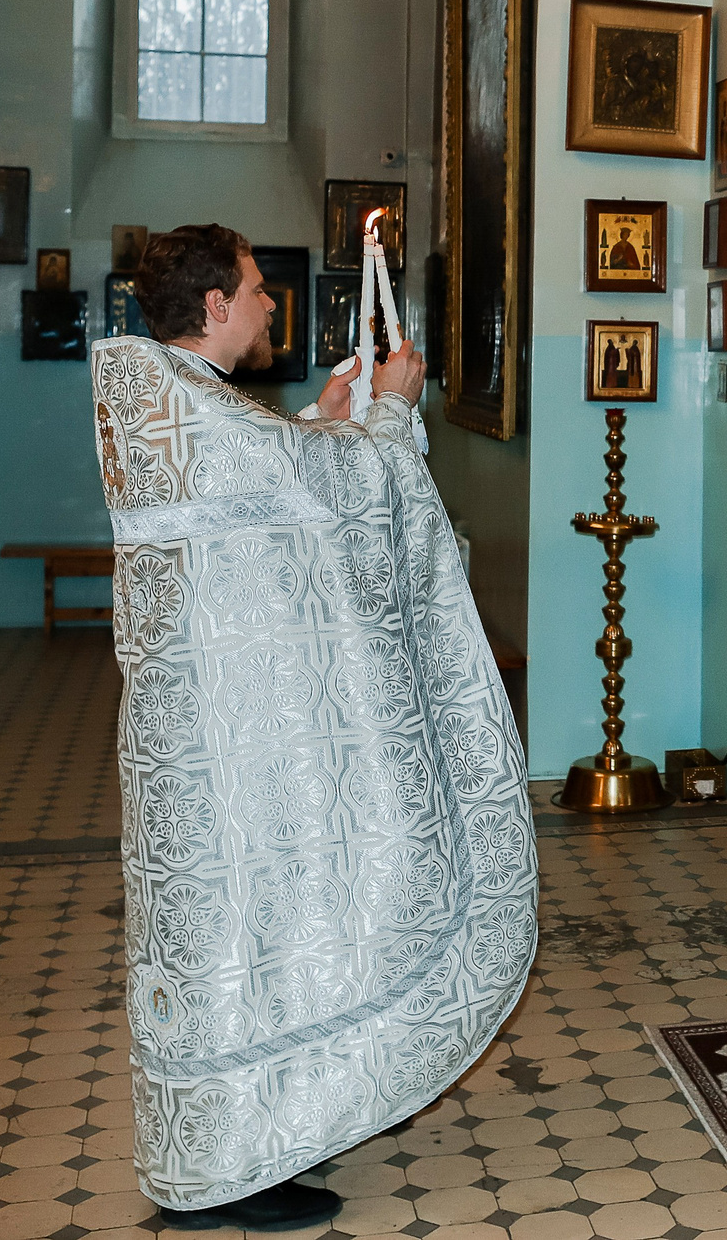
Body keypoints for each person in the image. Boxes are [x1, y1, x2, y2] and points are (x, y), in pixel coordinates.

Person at [92, 224, 535, 1229]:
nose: (266, 307)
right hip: (231, 747)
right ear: (213, 307)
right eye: (254, 291)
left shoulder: (164, 399)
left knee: (227, 942)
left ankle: (214, 1154)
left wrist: (319, 417)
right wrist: (389, 411)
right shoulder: (194, 406)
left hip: (202, 738)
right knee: (248, 937)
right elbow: (349, 491)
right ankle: (230, 1169)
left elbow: (260, 485)